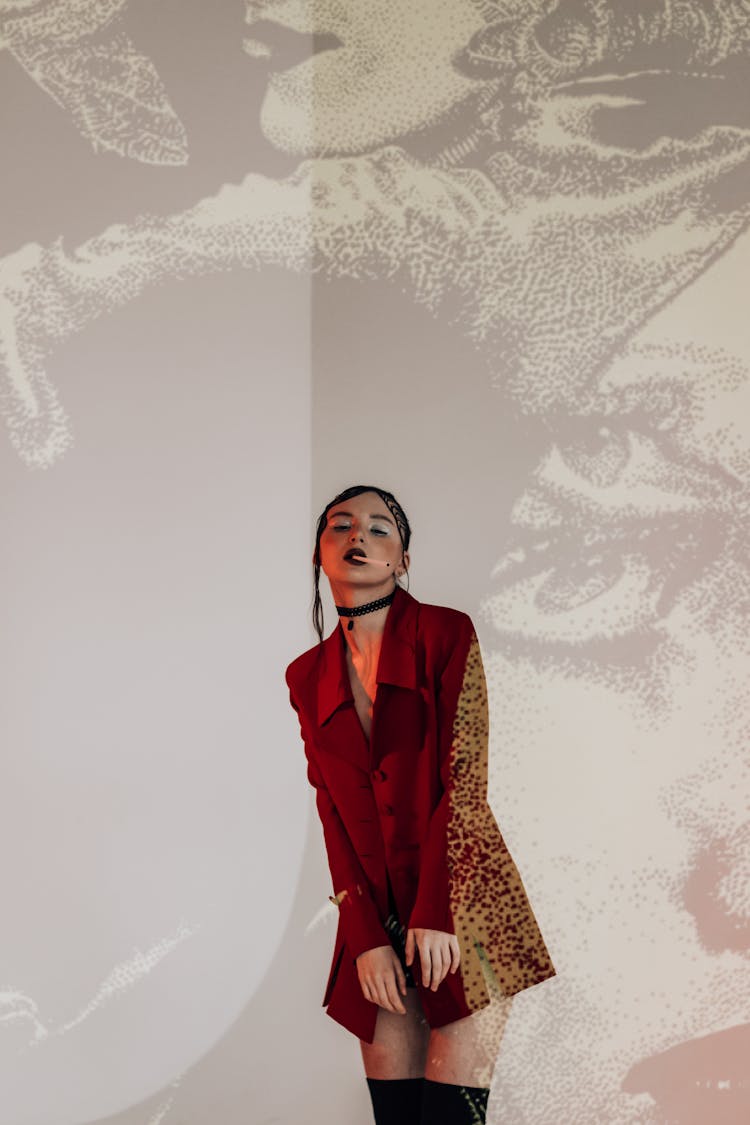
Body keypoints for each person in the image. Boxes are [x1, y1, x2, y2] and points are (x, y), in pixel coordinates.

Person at [285, 484, 556, 1125]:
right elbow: (330, 809)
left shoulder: (445, 633)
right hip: (375, 916)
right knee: (398, 1118)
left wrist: (436, 912)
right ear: (319, 552)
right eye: (341, 525)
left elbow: (464, 780)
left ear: (402, 560)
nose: (358, 535)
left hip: (464, 900)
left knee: (450, 1120)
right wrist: (363, 938)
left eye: (380, 529)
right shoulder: (304, 674)